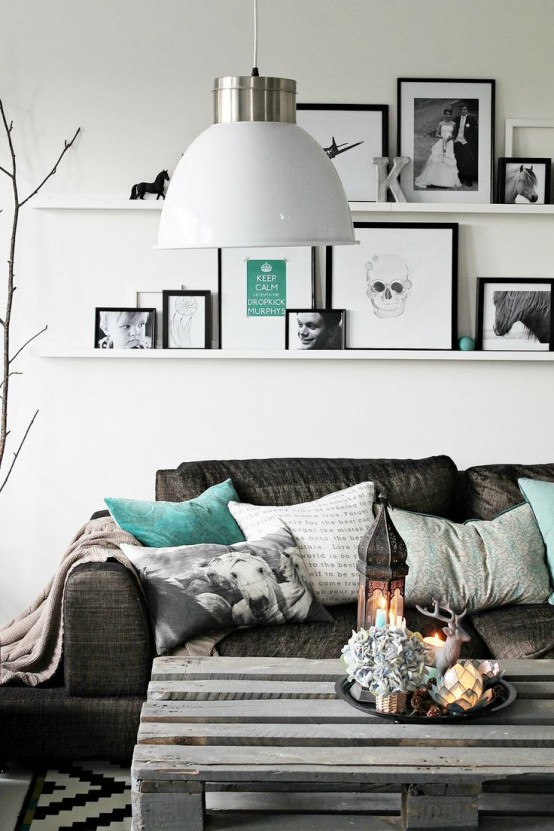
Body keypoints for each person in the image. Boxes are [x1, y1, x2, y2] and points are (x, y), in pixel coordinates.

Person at [415, 108, 461, 190]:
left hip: (449, 143)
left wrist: (450, 138)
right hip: (441, 142)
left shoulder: (454, 124)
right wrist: (443, 137)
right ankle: (434, 180)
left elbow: (454, 134)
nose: (448, 115)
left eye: (449, 114)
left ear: (451, 115)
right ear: (444, 114)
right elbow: (436, 134)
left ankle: (447, 181)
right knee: (437, 158)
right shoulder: (440, 123)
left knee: (448, 159)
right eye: (446, 114)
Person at [453, 101, 479, 187]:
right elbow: (454, 130)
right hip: (457, 141)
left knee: (468, 161)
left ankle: (469, 179)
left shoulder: (471, 119)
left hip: (466, 142)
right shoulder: (456, 119)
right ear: (460, 110)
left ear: (467, 110)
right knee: (458, 160)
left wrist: (470, 142)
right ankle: (460, 178)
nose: (463, 111)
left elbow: (475, 132)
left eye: (465, 109)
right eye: (462, 109)